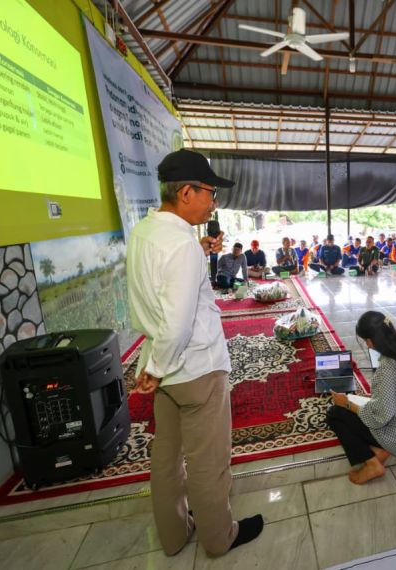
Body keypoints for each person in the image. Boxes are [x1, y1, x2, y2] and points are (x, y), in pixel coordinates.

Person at [127, 149, 262, 557]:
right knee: (208, 461)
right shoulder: (181, 246)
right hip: (194, 368)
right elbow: (179, 324)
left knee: (166, 458)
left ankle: (173, 535)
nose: (213, 202)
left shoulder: (146, 233)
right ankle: (219, 537)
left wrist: (153, 367)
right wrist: (159, 366)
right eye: (209, 192)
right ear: (186, 192)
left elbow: (158, 290)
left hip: (164, 367)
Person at [327, 311, 396, 485]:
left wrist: (348, 404)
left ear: (370, 340)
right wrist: (369, 399)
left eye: (365, 340)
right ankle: (381, 450)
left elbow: (381, 416)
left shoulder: (387, 368)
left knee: (335, 413)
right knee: (362, 402)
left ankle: (372, 464)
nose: (366, 344)